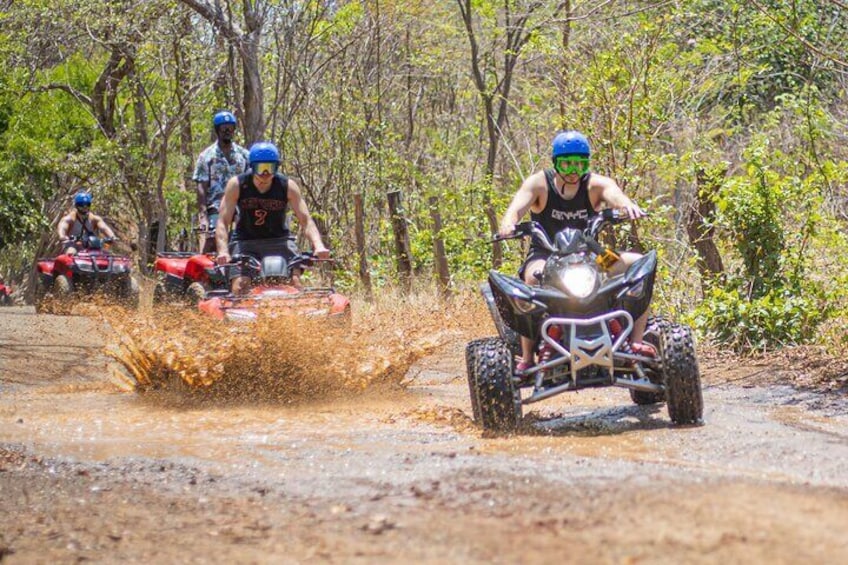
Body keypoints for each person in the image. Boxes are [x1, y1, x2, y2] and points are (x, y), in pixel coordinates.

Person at [498, 130, 653, 371]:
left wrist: (627, 206)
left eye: (579, 165)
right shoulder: (540, 183)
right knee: (530, 279)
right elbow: (517, 205)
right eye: (567, 163)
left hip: (593, 257)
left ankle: (635, 341)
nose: (573, 171)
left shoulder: (594, 184)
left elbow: (614, 194)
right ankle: (528, 357)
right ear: (555, 162)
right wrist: (509, 223)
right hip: (546, 256)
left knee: (639, 264)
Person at [215, 141, 330, 294]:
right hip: (245, 243)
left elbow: (306, 220)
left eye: (270, 168)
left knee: (294, 283)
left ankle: (298, 316)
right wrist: (223, 251)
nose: (265, 173)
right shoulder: (237, 185)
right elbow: (223, 221)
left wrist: (318, 246)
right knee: (240, 286)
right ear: (252, 167)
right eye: (260, 168)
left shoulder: (287, 186)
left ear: (277, 167)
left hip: (280, 242)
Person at [192, 110, 250, 253]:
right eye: (224, 128)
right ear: (217, 130)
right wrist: (203, 216)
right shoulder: (206, 156)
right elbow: (201, 188)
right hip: (216, 205)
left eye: (230, 128)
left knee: (246, 238)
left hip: (241, 205)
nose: (227, 131)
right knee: (213, 239)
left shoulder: (244, 155)